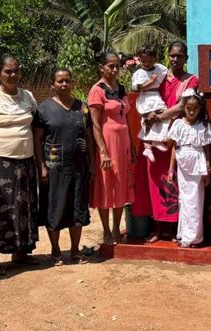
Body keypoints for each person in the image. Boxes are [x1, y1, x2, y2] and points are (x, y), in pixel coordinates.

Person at [0, 55, 40, 275]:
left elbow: (34, 128)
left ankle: (21, 251)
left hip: (26, 162)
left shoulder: (28, 96)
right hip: (0, 163)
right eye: (7, 71)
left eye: (16, 71)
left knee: (23, 208)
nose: (12, 75)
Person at [142, 41, 198, 243]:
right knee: (156, 183)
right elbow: (145, 96)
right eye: (172, 55)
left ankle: (175, 228)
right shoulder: (159, 77)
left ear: (186, 58)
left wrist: (159, 116)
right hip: (155, 138)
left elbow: (183, 106)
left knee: (175, 183)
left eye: (180, 56)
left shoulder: (191, 80)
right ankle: (158, 228)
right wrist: (150, 116)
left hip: (176, 138)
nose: (175, 59)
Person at [34, 68, 92, 265]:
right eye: (60, 81)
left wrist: (91, 164)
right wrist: (41, 166)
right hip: (54, 169)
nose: (65, 84)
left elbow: (89, 136)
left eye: (68, 80)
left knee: (77, 209)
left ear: (72, 83)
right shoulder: (43, 109)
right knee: (54, 208)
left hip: (78, 167)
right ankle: (56, 251)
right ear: (53, 85)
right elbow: (37, 139)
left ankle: (75, 250)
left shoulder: (82, 108)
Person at [88, 51, 134, 245]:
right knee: (106, 185)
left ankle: (116, 228)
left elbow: (126, 119)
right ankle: (106, 230)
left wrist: (132, 145)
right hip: (107, 143)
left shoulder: (121, 89)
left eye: (117, 66)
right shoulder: (97, 90)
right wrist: (103, 151)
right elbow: (95, 124)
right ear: (102, 67)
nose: (115, 69)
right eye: (111, 66)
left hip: (123, 144)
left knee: (121, 185)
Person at [168, 91, 211, 248]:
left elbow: (207, 149)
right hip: (182, 165)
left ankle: (195, 237)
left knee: (195, 201)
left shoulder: (203, 126)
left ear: (200, 108)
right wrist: (171, 169)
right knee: (183, 200)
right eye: (189, 108)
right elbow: (174, 147)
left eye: (195, 108)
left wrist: (207, 169)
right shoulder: (178, 124)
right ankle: (184, 234)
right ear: (184, 107)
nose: (192, 112)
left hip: (197, 165)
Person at [132, 44, 171, 163]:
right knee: (148, 119)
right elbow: (137, 88)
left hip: (156, 96)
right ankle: (147, 145)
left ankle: (155, 140)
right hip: (146, 97)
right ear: (139, 60)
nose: (147, 63)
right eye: (143, 61)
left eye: (150, 61)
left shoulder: (159, 68)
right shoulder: (139, 73)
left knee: (163, 116)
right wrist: (151, 81)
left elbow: (167, 73)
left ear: (155, 59)